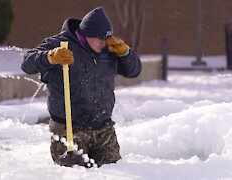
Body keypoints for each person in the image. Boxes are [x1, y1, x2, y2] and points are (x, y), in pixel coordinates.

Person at [21, 6, 142, 167]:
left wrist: (126, 54)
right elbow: (27, 64)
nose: (103, 43)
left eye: (106, 38)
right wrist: (50, 57)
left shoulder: (109, 49)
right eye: (100, 39)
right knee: (75, 175)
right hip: (68, 129)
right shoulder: (60, 44)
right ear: (86, 34)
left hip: (103, 129)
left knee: (114, 172)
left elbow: (134, 71)